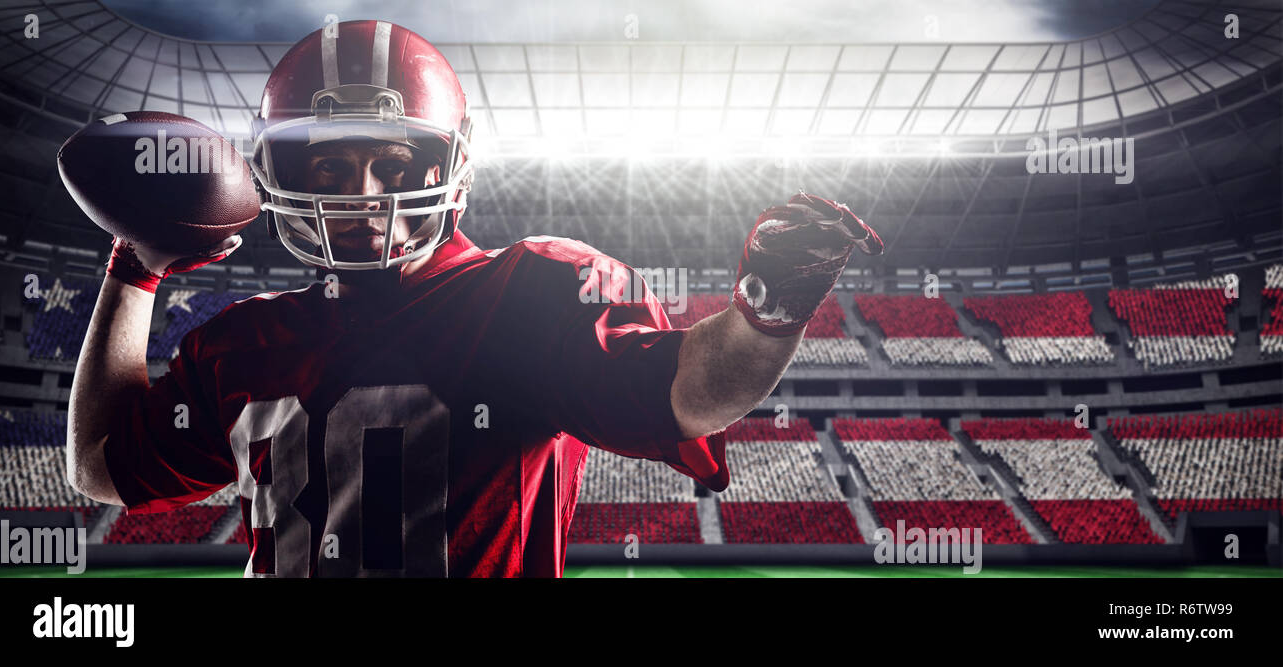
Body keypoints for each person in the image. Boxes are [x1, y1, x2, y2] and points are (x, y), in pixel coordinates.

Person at [64, 20, 882, 577]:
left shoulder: (532, 291)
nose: (365, 194)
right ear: (277, 177)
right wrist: (135, 269)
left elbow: (692, 390)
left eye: (393, 163)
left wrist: (768, 309)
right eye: (329, 168)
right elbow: (100, 464)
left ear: (447, 167)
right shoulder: (244, 342)